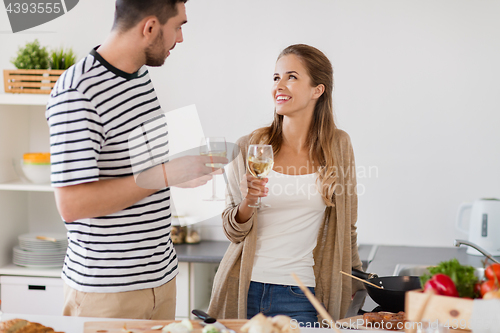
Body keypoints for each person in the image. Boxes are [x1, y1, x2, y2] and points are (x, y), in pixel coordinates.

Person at [45, 0, 227, 320]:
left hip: (160, 279)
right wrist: (167, 174)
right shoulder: (77, 92)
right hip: (107, 293)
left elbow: (137, 171)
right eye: (178, 26)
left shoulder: (137, 76)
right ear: (151, 28)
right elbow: (72, 204)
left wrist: (181, 170)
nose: (180, 39)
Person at [207, 44, 364, 324]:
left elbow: (347, 225)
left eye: (291, 77)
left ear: (318, 89)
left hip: (301, 292)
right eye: (276, 77)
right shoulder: (250, 146)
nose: (280, 85)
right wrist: (248, 201)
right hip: (244, 287)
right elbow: (233, 230)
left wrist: (355, 280)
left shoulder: (339, 146)